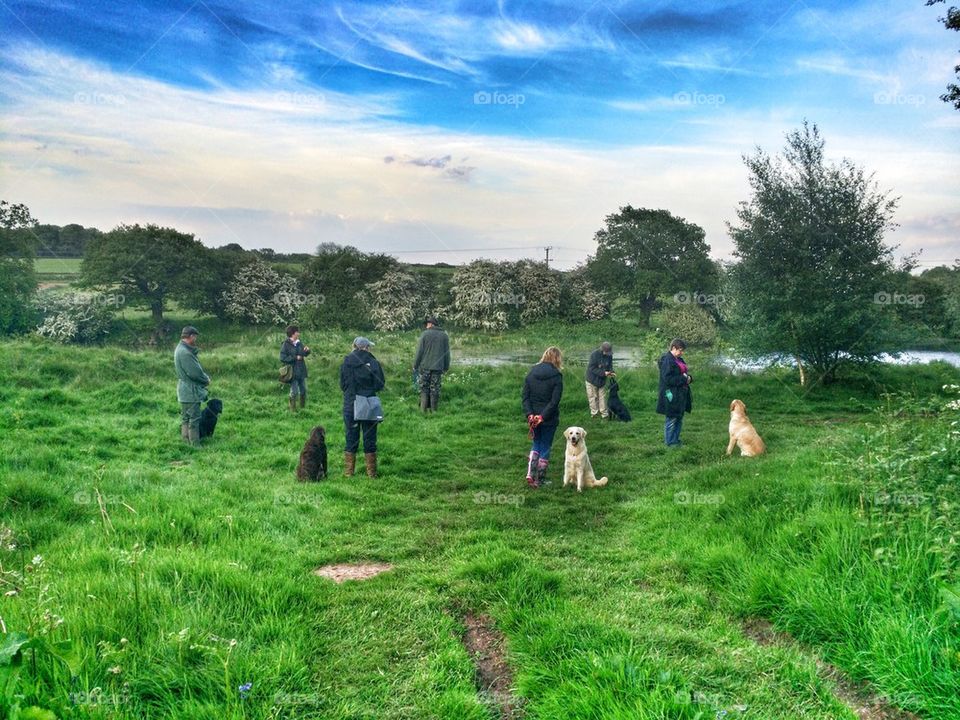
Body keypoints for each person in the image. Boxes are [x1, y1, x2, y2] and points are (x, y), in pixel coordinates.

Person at [339, 337, 386, 478]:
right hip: (368, 404)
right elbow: (380, 384)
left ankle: (348, 473)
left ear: (354, 346)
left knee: (350, 437)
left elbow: (342, 385)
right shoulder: (373, 362)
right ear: (366, 347)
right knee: (370, 438)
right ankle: (371, 474)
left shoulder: (346, 363)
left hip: (350, 404)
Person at [521, 346, 564, 488]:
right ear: (557, 358)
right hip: (548, 418)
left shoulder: (531, 373)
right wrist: (543, 417)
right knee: (545, 446)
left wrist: (530, 414)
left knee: (536, 443)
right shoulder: (557, 376)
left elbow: (525, 397)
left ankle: (530, 473)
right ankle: (540, 479)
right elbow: (554, 401)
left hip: (533, 417)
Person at [174, 326, 210, 447]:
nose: (195, 339)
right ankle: (195, 445)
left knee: (185, 418)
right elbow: (195, 373)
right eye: (195, 337)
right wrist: (206, 380)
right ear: (191, 336)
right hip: (190, 391)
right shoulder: (185, 353)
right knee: (194, 418)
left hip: (184, 390)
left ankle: (185, 442)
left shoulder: (180, 349)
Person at [656, 338, 692, 447]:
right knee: (671, 417)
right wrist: (684, 379)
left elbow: (684, 373)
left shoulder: (679, 359)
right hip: (670, 393)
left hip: (681, 393)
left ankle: (676, 440)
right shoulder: (667, 360)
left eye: (682, 350)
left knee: (678, 417)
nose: (682, 352)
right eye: (680, 350)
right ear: (673, 348)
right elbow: (668, 379)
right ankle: (670, 442)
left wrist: (689, 378)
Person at [413, 316, 451, 412]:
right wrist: (446, 366)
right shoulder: (444, 335)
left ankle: (423, 410)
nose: (426, 326)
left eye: (427, 324)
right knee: (435, 389)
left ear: (431, 324)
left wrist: (415, 365)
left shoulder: (424, 334)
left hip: (425, 366)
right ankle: (434, 411)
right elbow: (447, 353)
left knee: (424, 388)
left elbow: (419, 352)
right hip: (438, 368)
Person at [280, 325, 311, 412]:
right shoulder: (285, 344)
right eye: (297, 332)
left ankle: (302, 409)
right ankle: (292, 410)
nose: (299, 333)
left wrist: (307, 350)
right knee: (294, 391)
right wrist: (295, 358)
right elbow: (282, 357)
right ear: (293, 333)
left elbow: (304, 354)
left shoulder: (299, 343)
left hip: (301, 370)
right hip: (292, 372)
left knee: (303, 390)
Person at [585, 341, 615, 419]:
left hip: (602, 381)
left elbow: (610, 365)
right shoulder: (594, 355)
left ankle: (604, 414)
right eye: (607, 352)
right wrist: (604, 373)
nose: (608, 354)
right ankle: (594, 413)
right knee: (593, 397)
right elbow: (592, 368)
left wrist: (611, 372)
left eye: (609, 352)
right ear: (602, 350)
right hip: (591, 379)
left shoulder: (609, 355)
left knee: (602, 397)